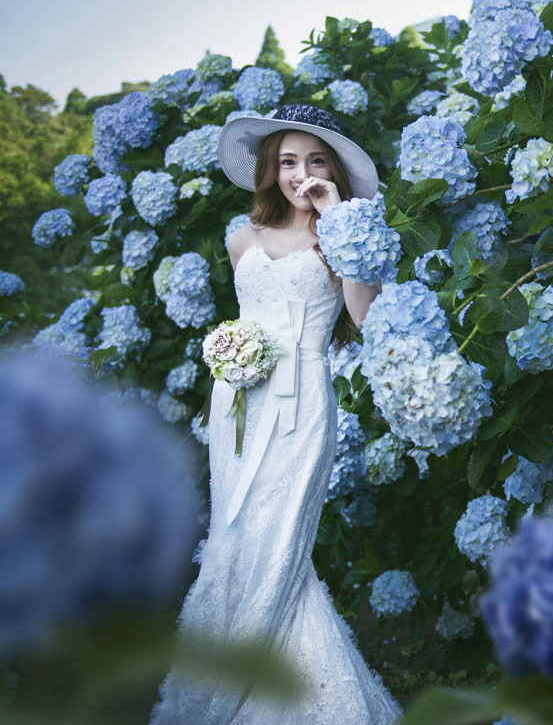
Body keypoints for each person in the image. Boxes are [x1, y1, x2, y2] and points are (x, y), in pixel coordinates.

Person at [150, 105, 401, 724]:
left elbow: (365, 320)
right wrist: (228, 354)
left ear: (334, 169)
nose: (300, 173)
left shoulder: (345, 233)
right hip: (238, 401)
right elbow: (248, 317)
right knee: (236, 541)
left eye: (316, 160)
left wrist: (339, 218)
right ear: (269, 169)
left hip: (302, 405)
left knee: (276, 546)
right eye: (288, 161)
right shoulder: (243, 238)